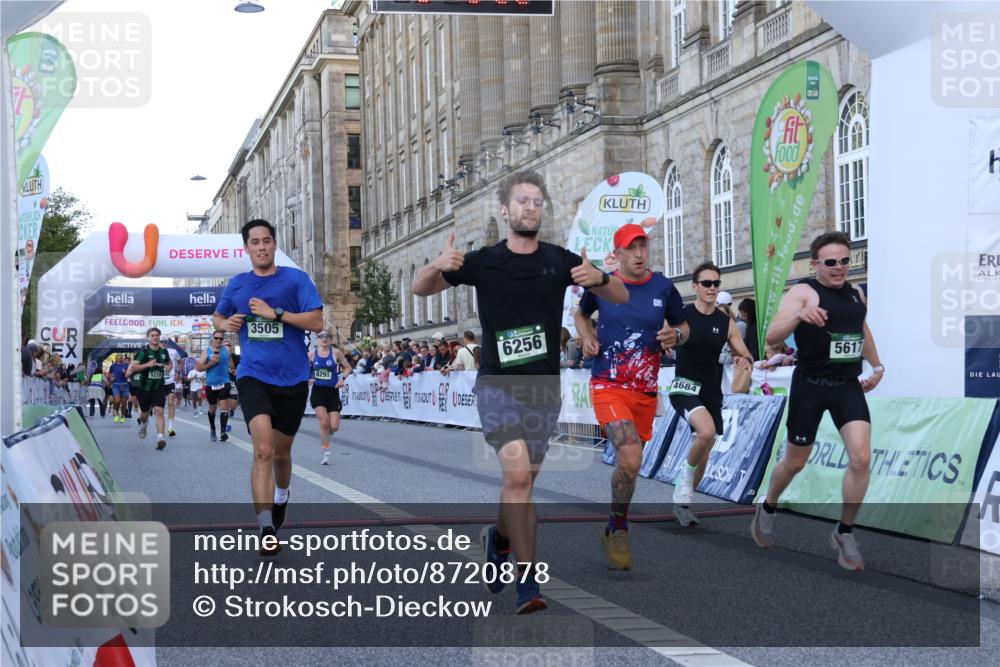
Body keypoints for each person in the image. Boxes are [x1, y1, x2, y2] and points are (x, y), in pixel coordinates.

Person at [413, 169, 628, 613]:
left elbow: (621, 295)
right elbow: (421, 288)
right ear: (505, 210)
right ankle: (527, 584)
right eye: (521, 201)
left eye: (536, 201)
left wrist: (600, 278)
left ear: (542, 209)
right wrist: (437, 265)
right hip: (497, 384)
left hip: (543, 388)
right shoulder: (483, 260)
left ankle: (500, 538)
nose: (529, 207)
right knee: (515, 477)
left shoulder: (559, 259)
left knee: (523, 484)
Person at [751, 231, 883, 571]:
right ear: (816, 265)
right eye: (831, 262)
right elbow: (771, 337)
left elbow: (861, 330)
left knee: (861, 456)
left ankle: (845, 531)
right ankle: (768, 506)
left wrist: (877, 364)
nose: (839, 268)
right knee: (795, 463)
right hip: (810, 384)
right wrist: (800, 316)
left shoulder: (855, 293)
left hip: (846, 385)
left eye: (844, 261)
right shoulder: (803, 292)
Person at [574, 223, 687, 570]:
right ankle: (621, 530)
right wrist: (588, 337)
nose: (639, 254)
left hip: (644, 390)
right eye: (631, 248)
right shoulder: (603, 284)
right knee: (632, 458)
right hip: (608, 383)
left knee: (630, 465)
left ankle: (612, 525)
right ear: (619, 253)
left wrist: (675, 337)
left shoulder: (663, 287)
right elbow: (581, 313)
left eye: (644, 247)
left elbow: (684, 326)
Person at [213, 218, 324, 556]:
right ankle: (265, 527)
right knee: (262, 449)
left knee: (281, 453)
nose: (261, 247)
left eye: (266, 241)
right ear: (246, 248)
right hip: (253, 374)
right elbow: (217, 318)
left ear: (274, 245)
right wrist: (226, 322)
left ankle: (282, 496)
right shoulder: (237, 284)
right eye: (254, 242)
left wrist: (277, 313)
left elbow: (317, 321)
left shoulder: (295, 279)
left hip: (291, 378)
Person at [670, 263, 754, 527]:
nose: (712, 288)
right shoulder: (681, 316)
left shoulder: (726, 323)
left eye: (716, 283)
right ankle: (683, 482)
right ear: (694, 286)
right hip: (684, 386)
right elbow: (662, 338)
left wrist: (744, 360)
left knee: (705, 450)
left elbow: (744, 353)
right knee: (705, 432)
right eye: (706, 283)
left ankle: (683, 504)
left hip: (711, 390)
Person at [309, 332, 352, 465]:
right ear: (317, 340)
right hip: (318, 391)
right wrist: (308, 377)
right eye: (321, 337)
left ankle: (328, 433)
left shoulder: (336, 353)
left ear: (331, 340)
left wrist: (342, 379)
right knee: (324, 422)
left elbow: (348, 368)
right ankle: (326, 452)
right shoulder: (311, 354)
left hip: (332, 391)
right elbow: (302, 368)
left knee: (334, 426)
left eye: (327, 337)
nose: (324, 339)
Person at [126, 327, 173, 450]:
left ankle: (160, 438)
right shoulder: (143, 352)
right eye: (153, 335)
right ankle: (144, 424)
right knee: (145, 414)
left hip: (159, 387)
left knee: (159, 411)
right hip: (144, 388)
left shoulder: (164, 352)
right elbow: (133, 368)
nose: (156, 337)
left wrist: (168, 368)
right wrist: (147, 364)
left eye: (157, 335)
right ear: (148, 338)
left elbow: (170, 363)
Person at [197, 331, 235, 442]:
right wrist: (211, 363)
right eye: (216, 338)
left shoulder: (226, 350)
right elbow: (198, 368)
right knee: (212, 409)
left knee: (224, 405)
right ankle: (212, 428)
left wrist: (231, 365)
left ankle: (223, 432)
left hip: (224, 381)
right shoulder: (206, 351)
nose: (218, 340)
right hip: (211, 383)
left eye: (221, 339)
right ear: (212, 339)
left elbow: (231, 365)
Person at [162, 341, 182, 438]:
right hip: (158, 382)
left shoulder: (173, 352)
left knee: (171, 402)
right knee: (159, 407)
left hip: (170, 381)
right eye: (161, 342)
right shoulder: (153, 352)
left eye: (165, 342)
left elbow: (180, 361)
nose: (163, 343)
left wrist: (178, 373)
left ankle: (170, 427)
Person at [109, 354, 131, 423]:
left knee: (124, 402)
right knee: (117, 400)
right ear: (116, 358)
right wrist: (111, 378)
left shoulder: (126, 365)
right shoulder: (113, 366)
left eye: (121, 358)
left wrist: (126, 373)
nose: (120, 359)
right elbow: (109, 374)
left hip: (125, 385)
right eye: (119, 357)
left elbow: (130, 374)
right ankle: (117, 413)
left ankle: (123, 416)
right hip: (116, 385)